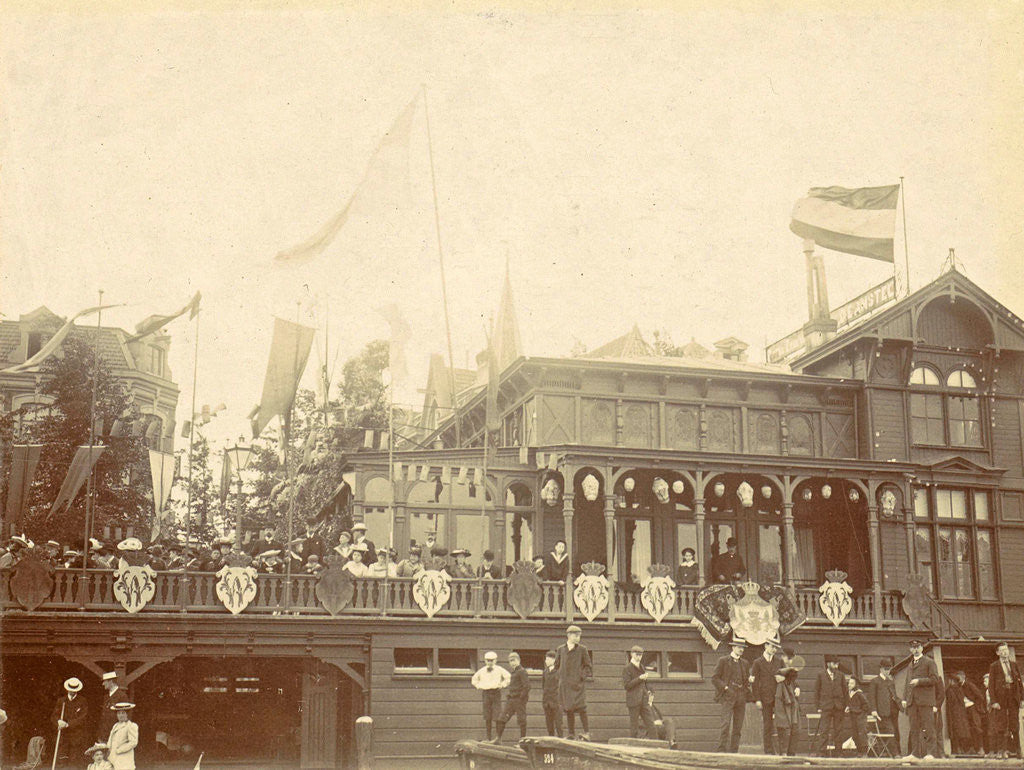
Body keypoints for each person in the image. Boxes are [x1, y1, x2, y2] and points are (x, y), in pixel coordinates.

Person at [901, 638, 938, 759]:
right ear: (910, 649)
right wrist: (905, 699)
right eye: (913, 647)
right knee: (914, 728)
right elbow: (907, 683)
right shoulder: (910, 665)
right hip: (912, 702)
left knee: (928, 727)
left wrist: (919, 681)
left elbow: (934, 679)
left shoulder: (929, 662)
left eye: (918, 647)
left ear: (922, 648)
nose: (915, 650)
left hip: (925, 701)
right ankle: (915, 754)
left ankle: (931, 753)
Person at [554, 625, 593, 740]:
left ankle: (587, 733)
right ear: (569, 635)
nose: (578, 638)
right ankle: (571, 734)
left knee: (582, 708)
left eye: (579, 636)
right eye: (576, 635)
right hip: (565, 685)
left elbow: (588, 666)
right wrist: (560, 677)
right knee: (568, 708)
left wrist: (581, 677)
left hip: (577, 685)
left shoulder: (582, 649)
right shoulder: (561, 649)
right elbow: (556, 665)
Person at [711, 636, 749, 753]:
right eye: (739, 647)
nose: (741, 650)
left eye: (742, 647)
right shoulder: (723, 660)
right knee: (725, 725)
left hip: (740, 696)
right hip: (728, 696)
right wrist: (726, 688)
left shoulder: (745, 663)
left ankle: (734, 752)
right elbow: (715, 678)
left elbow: (745, 680)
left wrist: (749, 682)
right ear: (733, 647)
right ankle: (721, 751)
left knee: (738, 727)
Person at [987, 641, 1024, 758]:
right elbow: (991, 685)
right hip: (1000, 699)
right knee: (1001, 724)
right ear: (998, 653)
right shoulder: (994, 666)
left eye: (1006, 649)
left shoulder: (1014, 664)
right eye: (1002, 650)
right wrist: (994, 701)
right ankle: (1001, 751)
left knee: (1014, 724)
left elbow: (1019, 683)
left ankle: (1018, 750)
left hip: (1013, 697)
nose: (1004, 652)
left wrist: (1022, 699)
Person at [750, 636, 782, 754]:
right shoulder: (757, 662)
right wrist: (757, 699)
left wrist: (783, 677)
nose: (774, 650)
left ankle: (780, 750)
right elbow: (754, 683)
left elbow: (786, 676)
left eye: (776, 648)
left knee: (780, 724)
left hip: (778, 698)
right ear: (766, 646)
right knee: (767, 725)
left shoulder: (779, 661)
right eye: (772, 647)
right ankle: (768, 751)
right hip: (765, 699)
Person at [865, 656, 901, 757]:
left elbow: (894, 696)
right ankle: (895, 754)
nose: (888, 671)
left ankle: (894, 752)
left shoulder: (891, 682)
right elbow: (871, 697)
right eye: (886, 669)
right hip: (882, 713)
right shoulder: (875, 681)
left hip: (893, 712)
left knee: (895, 733)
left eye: (889, 669)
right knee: (890, 732)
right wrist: (873, 710)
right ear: (881, 669)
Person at [471, 651, 510, 741]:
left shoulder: (499, 669)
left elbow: (508, 677)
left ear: (495, 660)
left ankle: (497, 738)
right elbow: (474, 680)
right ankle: (488, 738)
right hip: (486, 693)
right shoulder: (482, 671)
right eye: (488, 660)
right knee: (487, 716)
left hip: (496, 693)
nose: (490, 662)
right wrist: (479, 686)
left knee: (497, 716)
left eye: (492, 660)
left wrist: (502, 685)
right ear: (485, 661)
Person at [813, 654, 846, 756]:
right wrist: (818, 706)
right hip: (826, 707)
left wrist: (845, 705)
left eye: (837, 664)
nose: (836, 666)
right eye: (834, 663)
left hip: (838, 707)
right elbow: (816, 691)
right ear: (828, 664)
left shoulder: (841, 675)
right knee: (824, 730)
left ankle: (838, 752)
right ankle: (822, 752)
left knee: (838, 730)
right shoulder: (821, 675)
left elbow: (845, 691)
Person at [493, 652, 530, 743]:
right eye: (510, 661)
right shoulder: (513, 672)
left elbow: (527, 686)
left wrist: (521, 698)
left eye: (514, 660)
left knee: (521, 720)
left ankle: (522, 742)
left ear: (519, 660)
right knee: (502, 718)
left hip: (519, 700)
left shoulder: (522, 671)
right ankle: (498, 738)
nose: (512, 663)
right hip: (511, 700)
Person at [52, 676, 90, 764]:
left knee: (74, 762)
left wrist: (68, 724)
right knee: (61, 761)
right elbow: (54, 716)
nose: (72, 691)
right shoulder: (61, 701)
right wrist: (58, 721)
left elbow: (83, 718)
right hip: (63, 737)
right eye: (70, 689)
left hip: (76, 738)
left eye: (74, 690)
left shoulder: (82, 701)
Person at [622, 645, 657, 738]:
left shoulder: (642, 667)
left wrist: (649, 690)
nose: (639, 657)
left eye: (640, 655)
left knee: (651, 724)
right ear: (632, 654)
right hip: (633, 701)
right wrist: (639, 678)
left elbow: (644, 683)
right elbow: (627, 686)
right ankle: (633, 747)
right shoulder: (627, 668)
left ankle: (657, 745)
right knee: (634, 726)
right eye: (637, 655)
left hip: (644, 700)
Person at [774, 647, 801, 756]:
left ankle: (791, 754)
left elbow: (794, 681)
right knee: (783, 727)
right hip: (781, 700)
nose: (789, 661)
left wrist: (797, 687)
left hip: (792, 702)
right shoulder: (779, 668)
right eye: (788, 658)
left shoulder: (792, 670)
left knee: (795, 729)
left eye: (791, 658)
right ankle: (784, 753)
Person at [945, 672, 973, 755]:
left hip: (954, 713)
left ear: (951, 681)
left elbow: (951, 702)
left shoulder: (950, 690)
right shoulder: (960, 689)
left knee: (955, 731)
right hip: (961, 713)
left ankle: (957, 749)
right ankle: (963, 749)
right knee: (962, 731)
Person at [961, 672, 987, 756]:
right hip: (966, 709)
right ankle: (972, 748)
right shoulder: (959, 686)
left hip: (972, 709)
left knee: (977, 728)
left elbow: (980, 696)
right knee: (969, 729)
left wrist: (975, 706)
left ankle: (981, 748)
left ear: (962, 677)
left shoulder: (969, 684)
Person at [106, 703, 138, 770]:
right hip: (113, 757)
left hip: (124, 757)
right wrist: (108, 749)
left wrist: (119, 750)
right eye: (118, 713)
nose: (120, 715)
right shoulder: (115, 725)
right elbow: (111, 740)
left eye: (123, 713)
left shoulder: (131, 726)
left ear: (127, 714)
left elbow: (133, 742)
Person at [99, 671, 128, 741]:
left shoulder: (122, 696)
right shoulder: (106, 697)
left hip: (116, 734)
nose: (103, 684)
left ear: (110, 681)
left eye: (104, 681)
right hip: (104, 734)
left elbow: (124, 718)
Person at [542, 650, 563, 737]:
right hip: (547, 702)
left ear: (553, 660)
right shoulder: (545, 672)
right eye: (546, 659)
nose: (546, 661)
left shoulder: (559, 672)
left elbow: (561, 686)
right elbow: (544, 686)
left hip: (556, 702)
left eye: (548, 659)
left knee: (558, 724)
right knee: (549, 725)